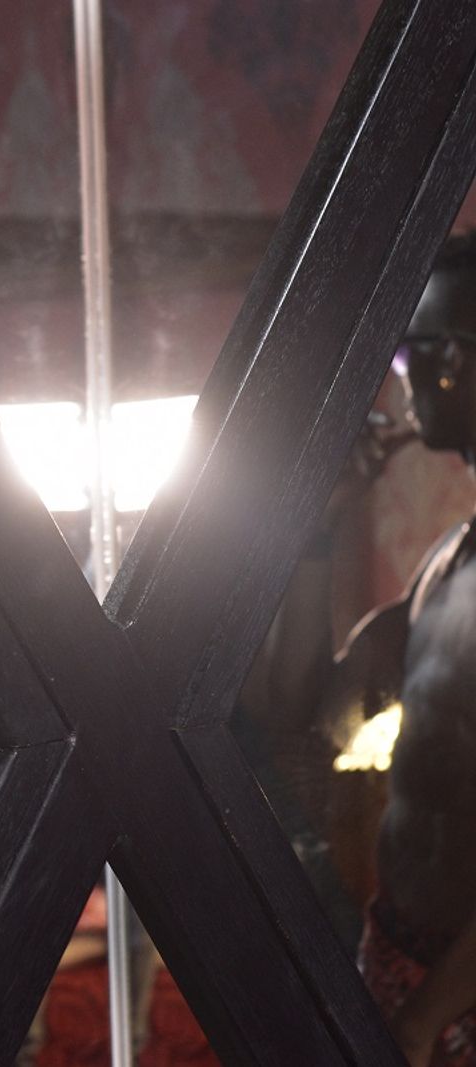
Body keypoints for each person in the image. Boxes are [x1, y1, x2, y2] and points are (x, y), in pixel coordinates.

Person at [250, 235, 476, 1067]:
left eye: (413, 348)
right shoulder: (447, 563)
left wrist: (421, 1021)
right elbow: (296, 704)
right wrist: (322, 527)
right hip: (403, 963)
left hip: (449, 995)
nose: (405, 374)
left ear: (457, 358)